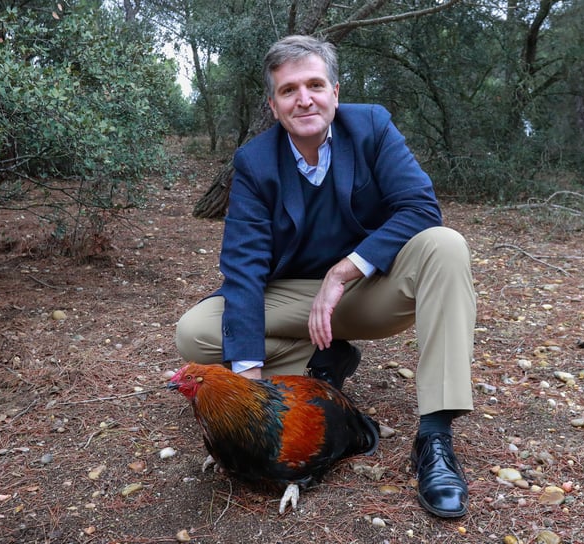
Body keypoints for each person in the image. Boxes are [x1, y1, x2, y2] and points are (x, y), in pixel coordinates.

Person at [175, 35, 476, 518]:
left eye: (315, 84)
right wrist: (250, 397)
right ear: (273, 106)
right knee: (196, 333)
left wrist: (343, 271)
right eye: (289, 90)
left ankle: (435, 437)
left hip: (368, 290)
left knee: (446, 245)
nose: (304, 98)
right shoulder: (254, 162)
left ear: (335, 90)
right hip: (296, 297)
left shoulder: (372, 127)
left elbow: (421, 206)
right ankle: (324, 362)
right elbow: (244, 267)